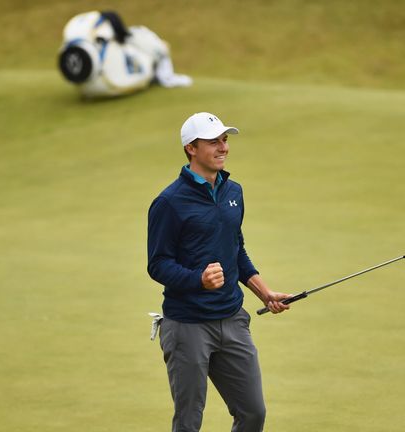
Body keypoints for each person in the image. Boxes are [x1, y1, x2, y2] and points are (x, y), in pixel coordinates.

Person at [146, 112, 292, 431]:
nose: (222, 147)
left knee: (253, 413)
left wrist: (264, 292)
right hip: (187, 326)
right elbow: (157, 264)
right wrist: (198, 279)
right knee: (188, 421)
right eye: (213, 141)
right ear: (191, 148)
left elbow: (235, 248)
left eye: (224, 140)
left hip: (231, 319)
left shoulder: (233, 192)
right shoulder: (169, 202)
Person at [58, 10, 192, 98]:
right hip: (124, 69)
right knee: (153, 42)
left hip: (96, 82)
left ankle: (163, 73)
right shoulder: (112, 83)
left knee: (143, 37)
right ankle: (165, 75)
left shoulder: (79, 31)